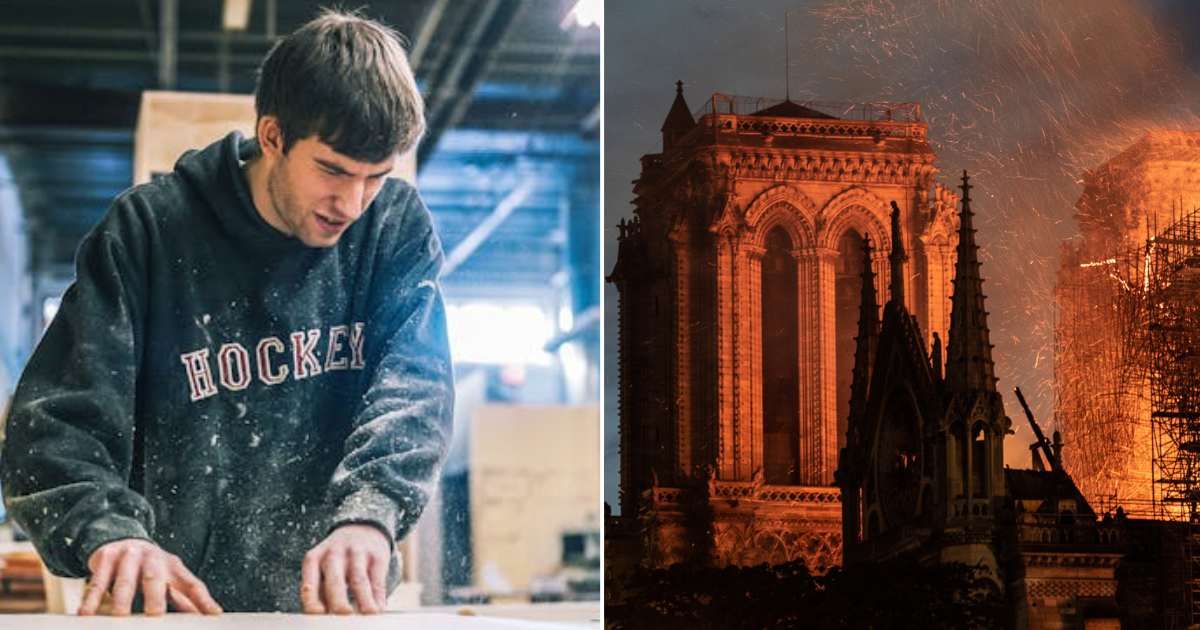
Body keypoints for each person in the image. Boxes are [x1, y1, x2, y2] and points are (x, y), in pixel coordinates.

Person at [0, 9, 453, 615]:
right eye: (333, 170)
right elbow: (53, 427)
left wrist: (370, 513)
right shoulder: (149, 234)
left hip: (332, 611)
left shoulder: (392, 229)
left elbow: (414, 393)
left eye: (375, 177)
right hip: (173, 610)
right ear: (272, 135)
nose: (351, 202)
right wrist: (110, 532)